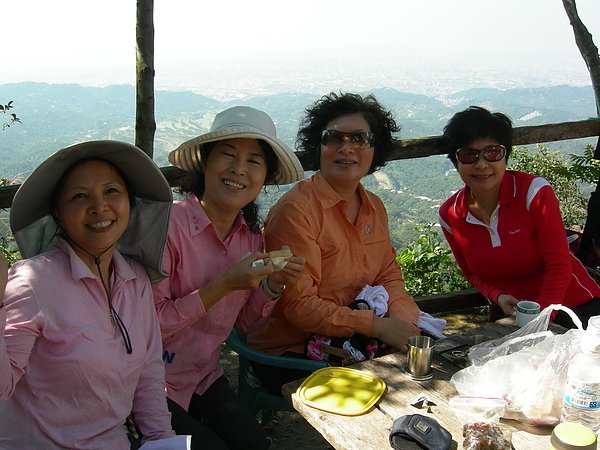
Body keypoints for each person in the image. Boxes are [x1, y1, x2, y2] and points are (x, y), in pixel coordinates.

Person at [0, 141, 190, 449]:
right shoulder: (34, 281)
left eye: (112, 191)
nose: (99, 206)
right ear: (58, 215)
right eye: (79, 196)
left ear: (130, 202)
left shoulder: (134, 279)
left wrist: (160, 438)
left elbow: (149, 370)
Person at [153, 106, 306, 450]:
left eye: (254, 161)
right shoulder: (168, 228)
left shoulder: (250, 238)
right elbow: (149, 327)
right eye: (228, 155)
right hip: (149, 382)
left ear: (264, 177)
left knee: (255, 445)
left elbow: (245, 326)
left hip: (204, 376)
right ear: (205, 163)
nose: (239, 169)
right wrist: (223, 285)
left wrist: (272, 285)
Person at [247, 92, 421, 395]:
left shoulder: (373, 206)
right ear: (319, 145)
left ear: (375, 148)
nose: (346, 147)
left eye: (360, 138)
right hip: (291, 351)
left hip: (352, 340)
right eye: (333, 137)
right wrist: (376, 327)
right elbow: (299, 307)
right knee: (394, 393)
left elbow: (388, 274)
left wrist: (402, 322)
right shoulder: (297, 211)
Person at [438, 106, 600, 329]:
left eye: (492, 152)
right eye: (469, 155)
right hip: (513, 315)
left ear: (505, 155)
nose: (482, 164)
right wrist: (498, 296)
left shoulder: (533, 193)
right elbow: (470, 273)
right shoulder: (451, 215)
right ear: (456, 162)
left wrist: (539, 320)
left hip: (574, 307)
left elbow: (559, 265)